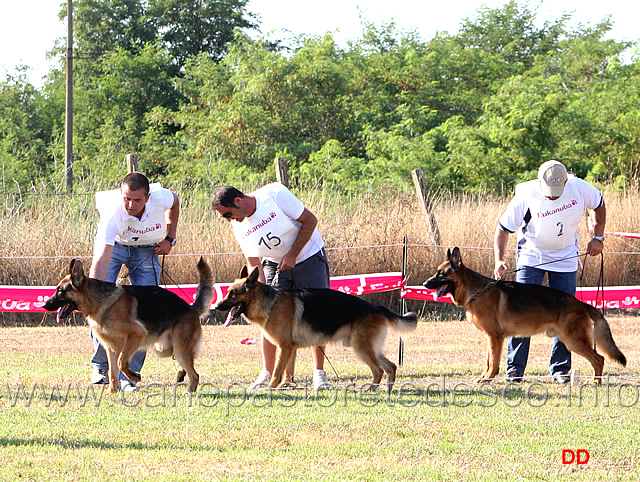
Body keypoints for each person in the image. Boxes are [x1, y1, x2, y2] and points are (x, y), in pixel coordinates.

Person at [493, 160, 606, 384]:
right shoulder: (525, 194)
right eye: (549, 192)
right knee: (519, 313)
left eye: (557, 191)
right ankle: (515, 369)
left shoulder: (580, 187)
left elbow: (600, 204)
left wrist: (598, 237)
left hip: (566, 259)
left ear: (566, 182)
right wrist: (499, 260)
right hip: (531, 257)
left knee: (566, 316)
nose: (553, 196)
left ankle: (560, 369)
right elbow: (503, 229)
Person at [212, 183, 331, 390]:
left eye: (228, 214)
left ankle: (319, 375)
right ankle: (271, 375)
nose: (229, 220)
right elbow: (252, 260)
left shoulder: (275, 195)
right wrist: (258, 291)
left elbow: (310, 220)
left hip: (308, 257)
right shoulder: (238, 224)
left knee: (317, 315)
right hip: (274, 263)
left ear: (238, 201)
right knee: (267, 315)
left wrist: (293, 253)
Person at [89, 172, 180, 391]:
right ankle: (101, 368)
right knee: (101, 310)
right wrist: (92, 296)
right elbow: (101, 260)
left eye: (137, 200)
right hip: (116, 247)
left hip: (147, 249)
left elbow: (176, 201)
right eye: (126, 198)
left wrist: (170, 238)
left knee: (145, 313)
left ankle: (129, 376)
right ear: (121, 194)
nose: (130, 205)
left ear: (147, 198)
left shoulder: (161, 197)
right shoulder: (111, 214)